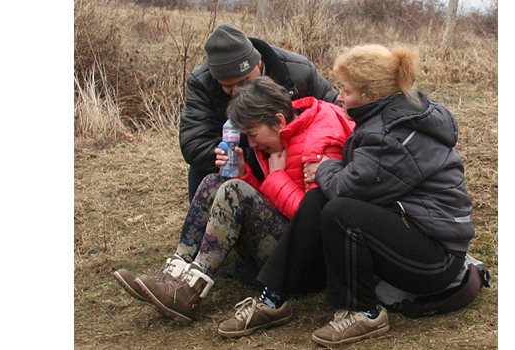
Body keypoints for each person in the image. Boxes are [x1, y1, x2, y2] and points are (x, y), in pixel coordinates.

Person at [219, 44, 476, 347]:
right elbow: (357, 178)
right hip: (414, 232)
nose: (338, 96)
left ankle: (364, 311)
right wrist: (332, 170)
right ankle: (272, 298)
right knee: (321, 201)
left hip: (436, 259)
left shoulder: (390, 134)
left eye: (346, 89)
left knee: (340, 210)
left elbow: (347, 187)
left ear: (370, 95)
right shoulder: (388, 118)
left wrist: (325, 168)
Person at [113, 76, 354, 325]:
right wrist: (245, 175)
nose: (250, 143)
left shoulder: (320, 143)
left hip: (307, 264)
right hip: (287, 242)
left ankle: (191, 291)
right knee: (213, 183)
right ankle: (174, 273)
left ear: (279, 120)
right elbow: (271, 205)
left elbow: (314, 219)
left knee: (234, 191)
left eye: (252, 134)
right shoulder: (282, 135)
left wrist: (276, 177)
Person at [180, 23, 339, 202]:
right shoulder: (202, 82)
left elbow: (338, 114)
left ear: (259, 63)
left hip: (296, 154)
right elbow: (194, 144)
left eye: (243, 82)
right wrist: (246, 155)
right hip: (242, 154)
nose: (237, 93)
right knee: (205, 167)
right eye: (227, 87)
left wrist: (323, 159)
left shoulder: (298, 71)